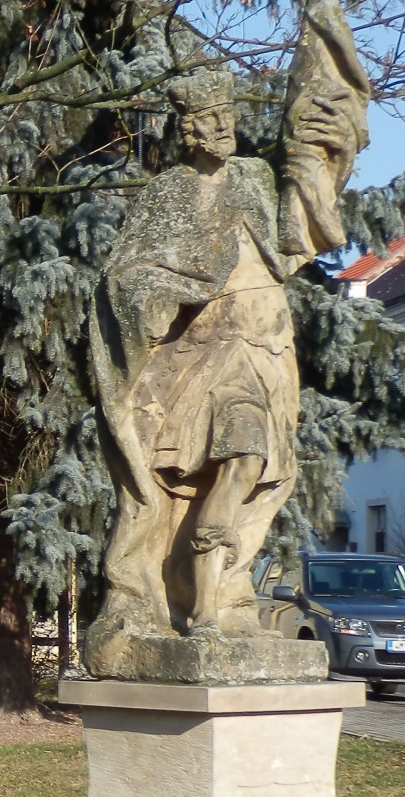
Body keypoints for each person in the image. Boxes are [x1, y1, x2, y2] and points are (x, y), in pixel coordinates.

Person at [87, 53, 365, 662]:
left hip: (270, 349)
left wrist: (327, 147)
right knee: (242, 455)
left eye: (226, 115)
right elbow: (126, 276)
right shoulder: (170, 192)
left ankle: (224, 598)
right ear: (187, 130)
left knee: (260, 474)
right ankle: (205, 608)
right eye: (207, 119)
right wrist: (160, 294)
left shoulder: (253, 178)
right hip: (208, 354)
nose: (221, 127)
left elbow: (296, 231)